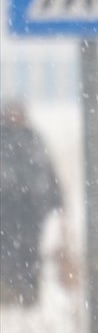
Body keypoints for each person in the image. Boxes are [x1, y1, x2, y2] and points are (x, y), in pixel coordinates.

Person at [0, 99, 63, 307]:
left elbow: (48, 169)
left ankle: (29, 295)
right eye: (12, 112)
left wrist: (57, 199)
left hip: (32, 211)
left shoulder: (34, 138)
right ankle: (7, 294)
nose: (15, 116)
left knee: (30, 253)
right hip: (6, 211)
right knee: (6, 253)